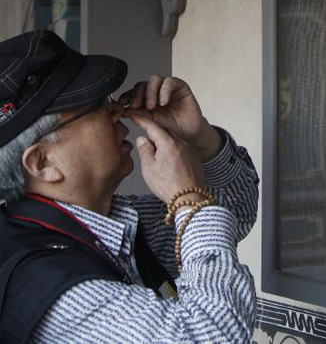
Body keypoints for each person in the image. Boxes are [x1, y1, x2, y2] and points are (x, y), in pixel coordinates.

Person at [0, 29, 259, 343]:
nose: (118, 110)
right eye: (96, 106)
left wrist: (199, 139)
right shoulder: (47, 282)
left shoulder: (109, 222)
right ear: (43, 163)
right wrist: (189, 200)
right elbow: (213, 337)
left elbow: (236, 213)